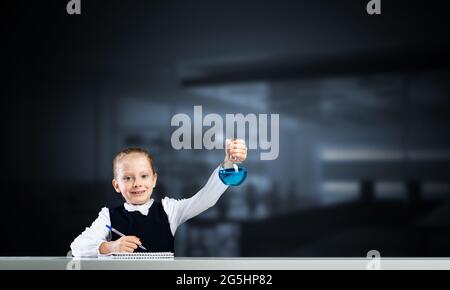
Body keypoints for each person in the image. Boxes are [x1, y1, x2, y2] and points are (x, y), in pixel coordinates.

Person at [70, 139, 247, 256]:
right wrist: (110, 247)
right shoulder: (107, 216)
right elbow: (77, 247)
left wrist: (228, 164)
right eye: (128, 178)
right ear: (117, 185)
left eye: (144, 176)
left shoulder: (169, 210)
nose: (137, 183)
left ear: (154, 179)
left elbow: (206, 198)